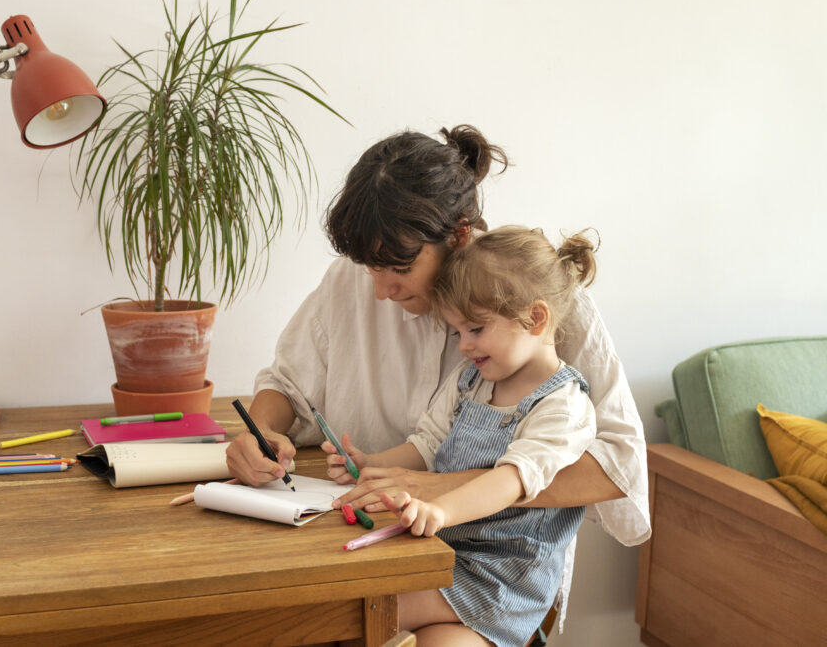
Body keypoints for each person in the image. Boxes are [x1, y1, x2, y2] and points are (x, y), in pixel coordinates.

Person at [224, 125, 649, 621]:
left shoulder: (542, 303)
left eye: (398, 267)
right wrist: (259, 433)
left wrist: (441, 488)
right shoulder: (351, 282)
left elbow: (618, 465)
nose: (381, 289)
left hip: (498, 574)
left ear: (459, 234)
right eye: (369, 267)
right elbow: (287, 384)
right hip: (373, 534)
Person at [325, 226, 600, 646]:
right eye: (458, 333)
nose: (465, 346)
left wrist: (441, 511)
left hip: (503, 582)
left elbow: (511, 481)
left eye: (476, 329)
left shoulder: (563, 406)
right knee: (372, 616)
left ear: (536, 318)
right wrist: (372, 463)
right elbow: (427, 443)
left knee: (360, 612)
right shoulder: (471, 379)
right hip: (444, 558)